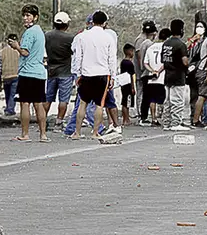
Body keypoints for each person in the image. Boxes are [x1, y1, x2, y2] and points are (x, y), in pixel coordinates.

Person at [72, 11, 116, 140]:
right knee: (99, 105)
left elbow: (78, 57)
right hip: (102, 74)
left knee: (82, 103)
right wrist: (112, 76)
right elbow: (111, 59)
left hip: (86, 74)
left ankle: (77, 132)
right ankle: (95, 132)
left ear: (92, 21)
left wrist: (78, 73)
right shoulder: (108, 37)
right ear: (104, 23)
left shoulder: (82, 36)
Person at [7, 4, 48, 142]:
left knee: (25, 103)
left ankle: (25, 134)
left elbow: (25, 52)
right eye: (24, 15)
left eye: (28, 15)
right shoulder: (39, 32)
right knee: (39, 104)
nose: (25, 18)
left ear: (35, 17)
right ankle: (43, 134)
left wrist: (16, 46)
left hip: (27, 72)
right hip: (39, 72)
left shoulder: (29, 33)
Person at [43, 12, 74, 131]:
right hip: (65, 72)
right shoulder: (69, 38)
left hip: (51, 71)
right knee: (63, 99)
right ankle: (59, 122)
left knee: (48, 97)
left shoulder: (47, 35)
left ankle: (43, 120)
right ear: (66, 24)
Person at [160, 19, 190, 132]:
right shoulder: (181, 45)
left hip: (167, 75)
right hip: (178, 76)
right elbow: (185, 61)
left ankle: (166, 123)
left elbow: (163, 60)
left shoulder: (166, 44)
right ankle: (176, 122)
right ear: (181, 29)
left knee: (167, 101)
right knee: (177, 100)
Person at [143, 29, 167, 127]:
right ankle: (163, 117)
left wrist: (152, 70)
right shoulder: (165, 48)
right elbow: (166, 62)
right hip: (162, 78)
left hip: (151, 78)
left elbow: (145, 63)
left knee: (152, 99)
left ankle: (153, 118)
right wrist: (159, 71)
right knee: (162, 99)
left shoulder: (151, 47)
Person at [136, 20, 158, 126]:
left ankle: (143, 116)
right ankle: (142, 116)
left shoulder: (143, 42)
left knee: (145, 95)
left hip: (144, 71)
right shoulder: (147, 43)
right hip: (146, 72)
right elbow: (142, 57)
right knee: (145, 95)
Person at [0, 34, 20, 116]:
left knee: (7, 94)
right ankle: (10, 109)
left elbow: (0, 66)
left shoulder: (2, 51)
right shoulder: (19, 51)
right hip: (16, 75)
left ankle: (8, 108)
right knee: (13, 94)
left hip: (6, 76)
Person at [118, 44, 137, 126]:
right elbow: (132, 75)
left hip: (123, 83)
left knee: (125, 101)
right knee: (126, 102)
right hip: (128, 84)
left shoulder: (123, 62)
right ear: (129, 52)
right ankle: (126, 119)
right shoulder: (129, 63)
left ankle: (126, 118)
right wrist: (133, 87)